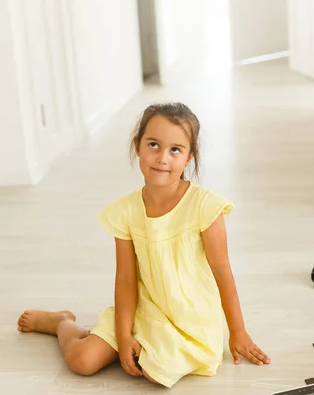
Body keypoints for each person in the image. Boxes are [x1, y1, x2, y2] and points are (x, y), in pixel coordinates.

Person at [17, 102, 270, 388]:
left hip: (190, 324)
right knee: (82, 361)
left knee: (154, 372)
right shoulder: (125, 211)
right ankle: (62, 322)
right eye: (153, 144)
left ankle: (109, 337)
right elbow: (125, 279)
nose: (162, 158)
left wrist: (238, 331)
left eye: (176, 149)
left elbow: (223, 273)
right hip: (145, 309)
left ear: (189, 157)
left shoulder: (205, 207)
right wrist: (124, 336)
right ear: (138, 146)